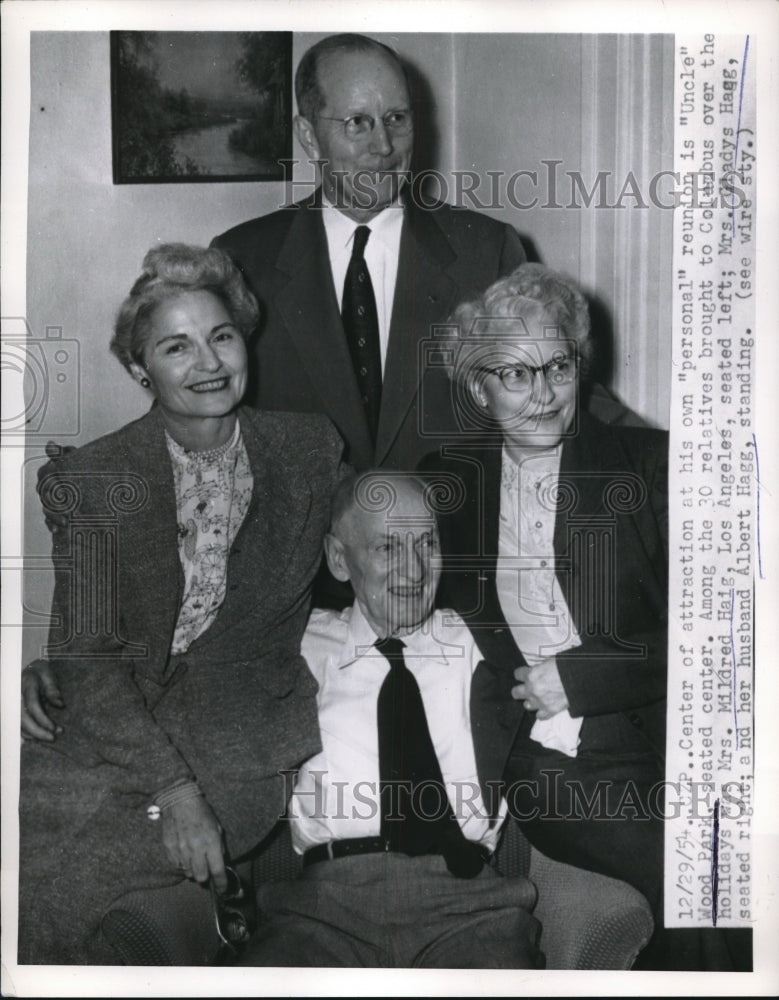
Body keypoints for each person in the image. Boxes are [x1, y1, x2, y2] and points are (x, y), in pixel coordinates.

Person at [17, 244, 345, 965]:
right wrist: (169, 786)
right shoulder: (95, 477)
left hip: (238, 739)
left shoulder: (307, 450)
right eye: (177, 346)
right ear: (141, 369)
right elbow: (89, 652)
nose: (209, 363)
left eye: (221, 336)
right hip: (109, 729)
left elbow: (389, 537)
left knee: (54, 887)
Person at [419, 263, 669, 928]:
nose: (542, 394)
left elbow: (729, 638)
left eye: (557, 366)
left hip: (663, 739)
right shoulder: (449, 484)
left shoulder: (651, 467)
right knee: (690, 873)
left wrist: (586, 676)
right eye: (514, 373)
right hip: (544, 759)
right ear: (478, 385)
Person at [237, 472, 541, 968]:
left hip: (468, 905)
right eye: (387, 548)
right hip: (322, 910)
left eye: (427, 544)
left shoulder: (482, 641)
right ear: (339, 559)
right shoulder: (295, 647)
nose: (415, 570)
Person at [211, 33, 529, 473]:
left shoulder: (487, 250)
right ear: (308, 135)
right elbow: (196, 416)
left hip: (447, 533)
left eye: (396, 117)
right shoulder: (241, 259)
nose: (384, 146)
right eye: (357, 122)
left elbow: (552, 391)